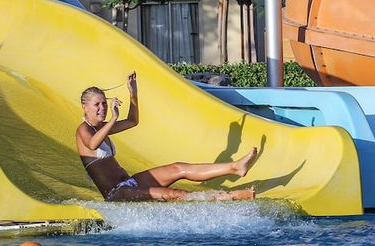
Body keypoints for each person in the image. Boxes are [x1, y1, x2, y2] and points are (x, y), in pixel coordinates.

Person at [75, 72, 256, 201]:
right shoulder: (83, 130)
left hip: (129, 183)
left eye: (104, 103)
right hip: (116, 193)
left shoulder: (102, 127)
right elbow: (92, 145)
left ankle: (235, 167)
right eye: (97, 105)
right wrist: (114, 118)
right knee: (174, 194)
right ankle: (229, 196)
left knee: (178, 168)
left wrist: (133, 94)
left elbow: (132, 121)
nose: (102, 108)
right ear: (85, 107)